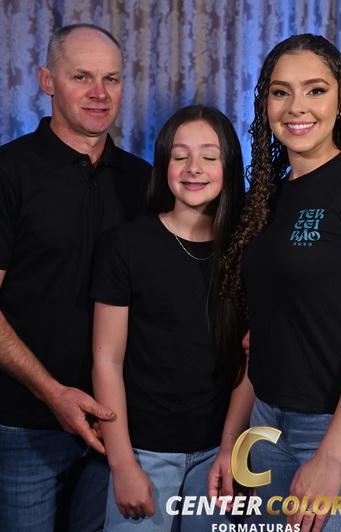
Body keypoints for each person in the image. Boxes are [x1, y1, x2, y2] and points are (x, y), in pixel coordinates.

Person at [0, 24, 151, 531]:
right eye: (81, 77)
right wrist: (53, 393)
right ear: (47, 81)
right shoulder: (3, 172)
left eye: (111, 79)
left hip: (118, 423)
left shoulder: (145, 181)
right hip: (29, 423)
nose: (99, 92)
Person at [220, 34, 341, 531]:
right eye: (281, 92)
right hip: (267, 424)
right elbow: (263, 332)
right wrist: (232, 440)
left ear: (340, 100)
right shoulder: (266, 199)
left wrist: (331, 456)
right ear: (265, 104)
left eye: (315, 90)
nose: (296, 107)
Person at [91, 105, 247, 531]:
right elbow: (106, 360)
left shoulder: (246, 249)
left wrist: (229, 449)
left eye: (209, 156)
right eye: (180, 156)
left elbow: (251, 359)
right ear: (163, 165)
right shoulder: (127, 245)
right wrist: (123, 464)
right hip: (144, 451)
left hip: (218, 453)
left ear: (230, 166)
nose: (194, 168)